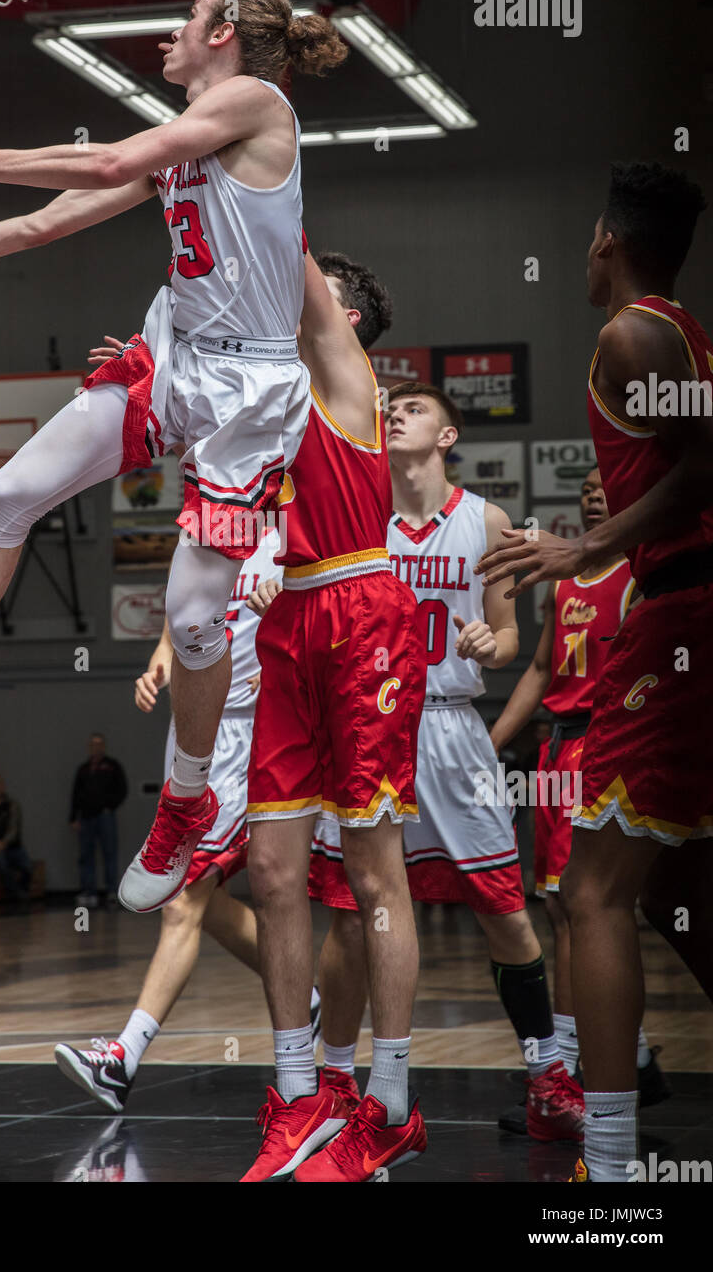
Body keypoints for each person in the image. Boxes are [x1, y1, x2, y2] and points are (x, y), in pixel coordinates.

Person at [0, 0, 347, 916]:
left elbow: (98, 166)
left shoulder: (258, 104)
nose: (167, 35)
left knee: (188, 616)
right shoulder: (181, 146)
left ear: (223, 30)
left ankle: (185, 800)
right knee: (10, 492)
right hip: (175, 356)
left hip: (250, 393)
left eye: (183, 14)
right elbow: (51, 219)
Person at [477, 161, 713, 1182]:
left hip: (687, 607)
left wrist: (589, 546)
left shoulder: (636, 332)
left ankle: (610, 1168)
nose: (581, 251)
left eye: (586, 236)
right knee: (680, 887)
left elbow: (710, 462)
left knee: (593, 891)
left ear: (608, 241)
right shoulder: (670, 334)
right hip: (684, 608)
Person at [299, 380, 583, 1143]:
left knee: (504, 912)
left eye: (413, 410)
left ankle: (548, 1077)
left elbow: (512, 638)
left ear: (448, 437)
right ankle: (333, 1083)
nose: (394, 415)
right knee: (354, 918)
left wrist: (495, 644)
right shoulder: (361, 520)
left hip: (453, 731)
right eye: (391, 409)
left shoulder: (485, 522)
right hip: (371, 727)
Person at [55, 527, 364, 1113]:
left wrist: (287, 661)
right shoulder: (205, 534)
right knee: (188, 894)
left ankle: (122, 1058)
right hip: (203, 737)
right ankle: (309, 999)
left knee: (198, 901)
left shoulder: (300, 531)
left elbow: (335, 625)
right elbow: (180, 622)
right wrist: (158, 667)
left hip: (271, 729)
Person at [241, 249, 427, 1184]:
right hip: (287, 627)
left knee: (371, 872)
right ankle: (298, 1095)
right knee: (271, 869)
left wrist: (244, 119)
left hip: (361, 617)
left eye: (319, 300)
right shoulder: (272, 396)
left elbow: (282, 239)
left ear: (347, 319)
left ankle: (388, 1104)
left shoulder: (347, 373)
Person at [490, 466, 669, 1115]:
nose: (594, 488)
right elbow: (541, 667)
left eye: (605, 479)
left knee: (577, 906)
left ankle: (568, 1068)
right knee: (559, 906)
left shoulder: (641, 574)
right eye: (587, 482)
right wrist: (491, 743)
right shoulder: (565, 577)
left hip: (604, 744)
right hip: (555, 748)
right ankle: (632, 1054)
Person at [70, 735, 127, 907]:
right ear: (89, 747)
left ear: (104, 746)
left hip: (105, 816)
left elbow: (122, 789)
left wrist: (110, 806)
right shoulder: (84, 769)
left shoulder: (112, 766)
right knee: (86, 855)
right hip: (86, 817)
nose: (96, 748)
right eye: (93, 745)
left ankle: (111, 891)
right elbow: (75, 794)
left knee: (109, 853)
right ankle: (89, 891)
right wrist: (73, 817)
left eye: (99, 745)